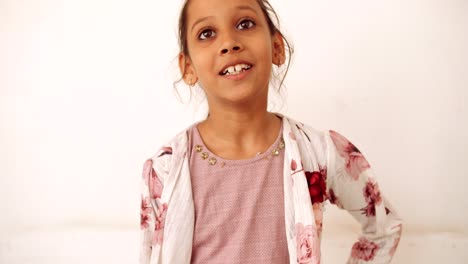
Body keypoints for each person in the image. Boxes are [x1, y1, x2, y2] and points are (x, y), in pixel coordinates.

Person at [139, 0, 403, 263]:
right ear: (188, 68)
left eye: (245, 23)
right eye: (207, 33)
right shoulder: (166, 170)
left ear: (276, 47)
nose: (229, 42)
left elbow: (384, 228)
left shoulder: (318, 151)